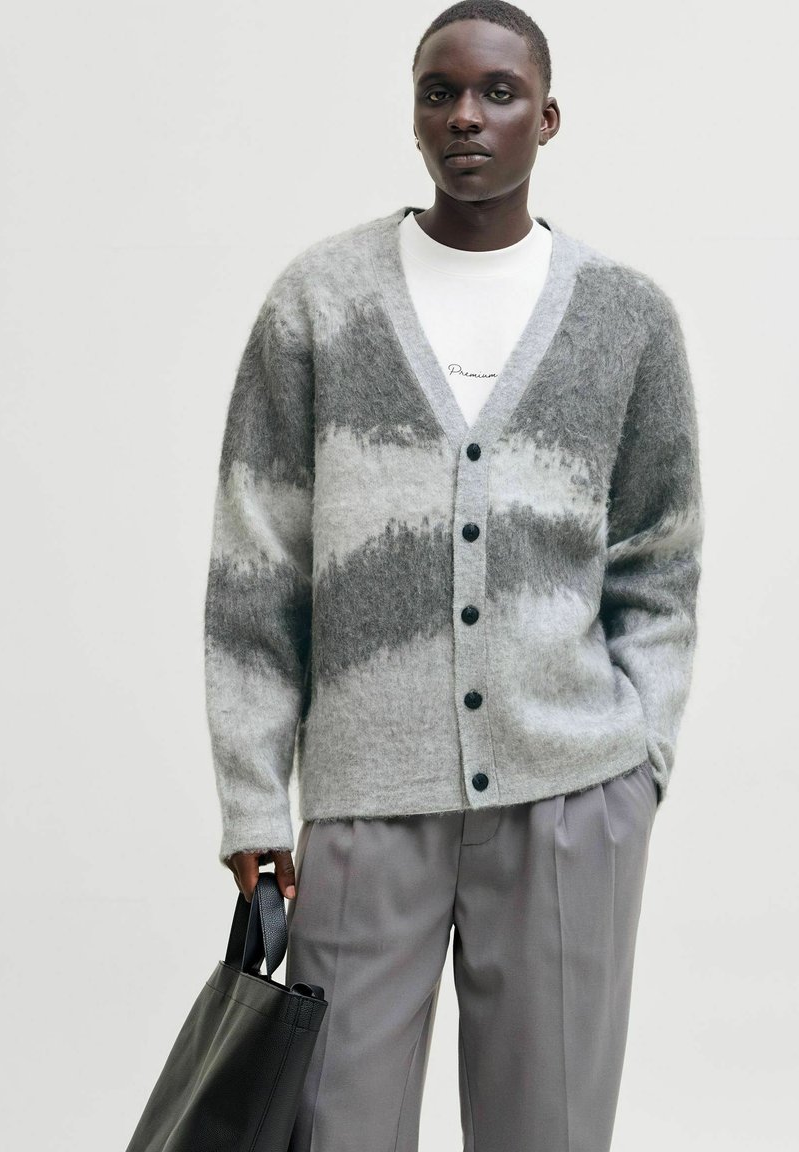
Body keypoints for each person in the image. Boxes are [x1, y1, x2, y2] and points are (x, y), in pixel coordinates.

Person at [202, 2, 704, 1149]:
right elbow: (255, 563)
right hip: (366, 796)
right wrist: (251, 793)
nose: (466, 116)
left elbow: (657, 556)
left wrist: (640, 761)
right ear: (414, 114)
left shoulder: (625, 318)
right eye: (440, 92)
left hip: (569, 794)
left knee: (548, 1129)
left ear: (547, 117)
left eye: (497, 93)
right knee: (336, 1124)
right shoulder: (318, 302)